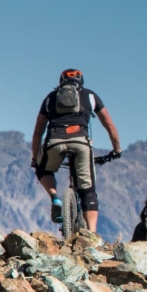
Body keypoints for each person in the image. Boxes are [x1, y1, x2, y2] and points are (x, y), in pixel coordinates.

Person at [31, 69, 121, 233]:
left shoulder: (50, 98)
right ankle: (91, 234)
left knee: (42, 169)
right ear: (81, 81)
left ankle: (55, 197)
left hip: (54, 142)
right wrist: (116, 149)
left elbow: (38, 132)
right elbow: (109, 125)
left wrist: (34, 158)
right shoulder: (90, 95)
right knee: (88, 190)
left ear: (61, 81)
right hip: (81, 143)